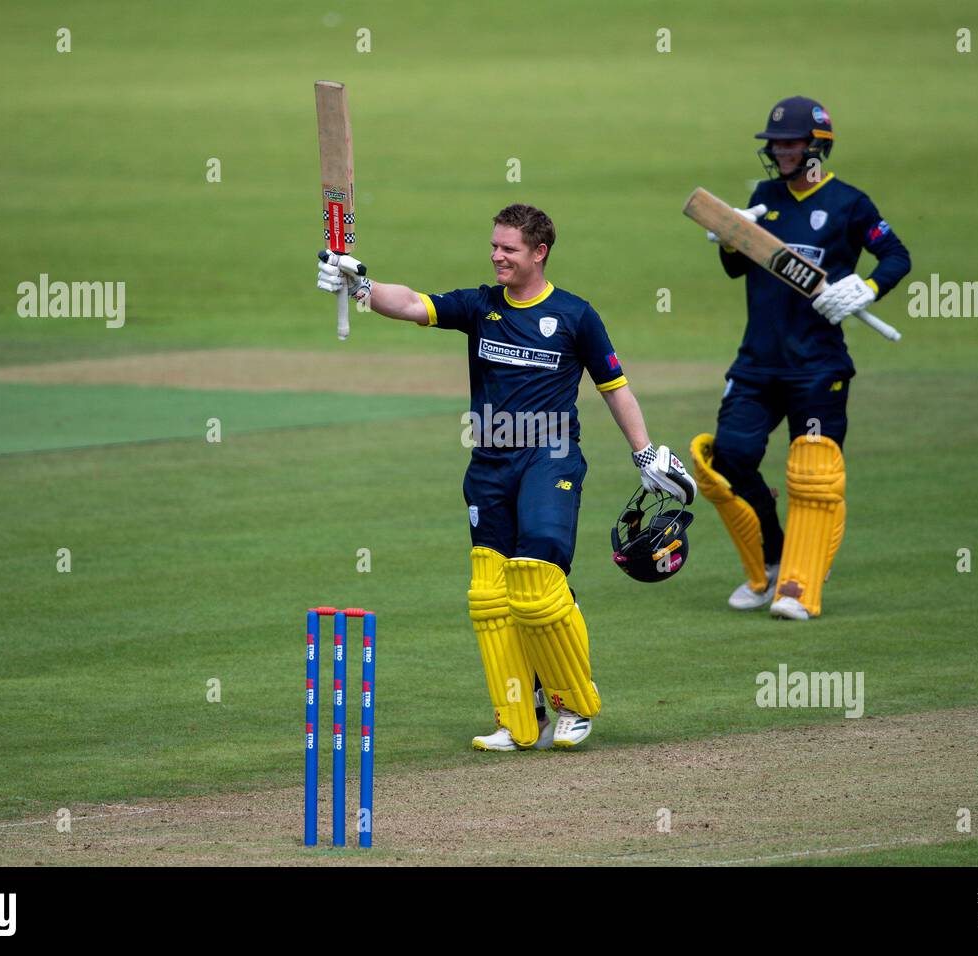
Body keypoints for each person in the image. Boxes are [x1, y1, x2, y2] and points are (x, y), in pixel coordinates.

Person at [317, 203, 695, 749]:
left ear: (539, 252)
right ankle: (518, 718)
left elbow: (615, 387)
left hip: (551, 456)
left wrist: (644, 453)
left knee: (538, 584)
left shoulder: (574, 315)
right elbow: (413, 303)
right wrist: (361, 287)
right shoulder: (480, 306)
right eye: (494, 245)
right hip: (489, 463)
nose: (497, 255)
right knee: (491, 595)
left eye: (509, 248)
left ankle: (574, 705)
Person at [689, 96, 911, 620]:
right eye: (775, 144)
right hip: (757, 363)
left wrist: (867, 287)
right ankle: (771, 557)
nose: (780, 151)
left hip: (818, 365)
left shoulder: (849, 204)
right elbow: (734, 271)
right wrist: (729, 237)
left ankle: (799, 584)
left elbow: (897, 255)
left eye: (790, 143)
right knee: (728, 460)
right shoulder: (764, 197)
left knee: (811, 472)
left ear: (816, 146)